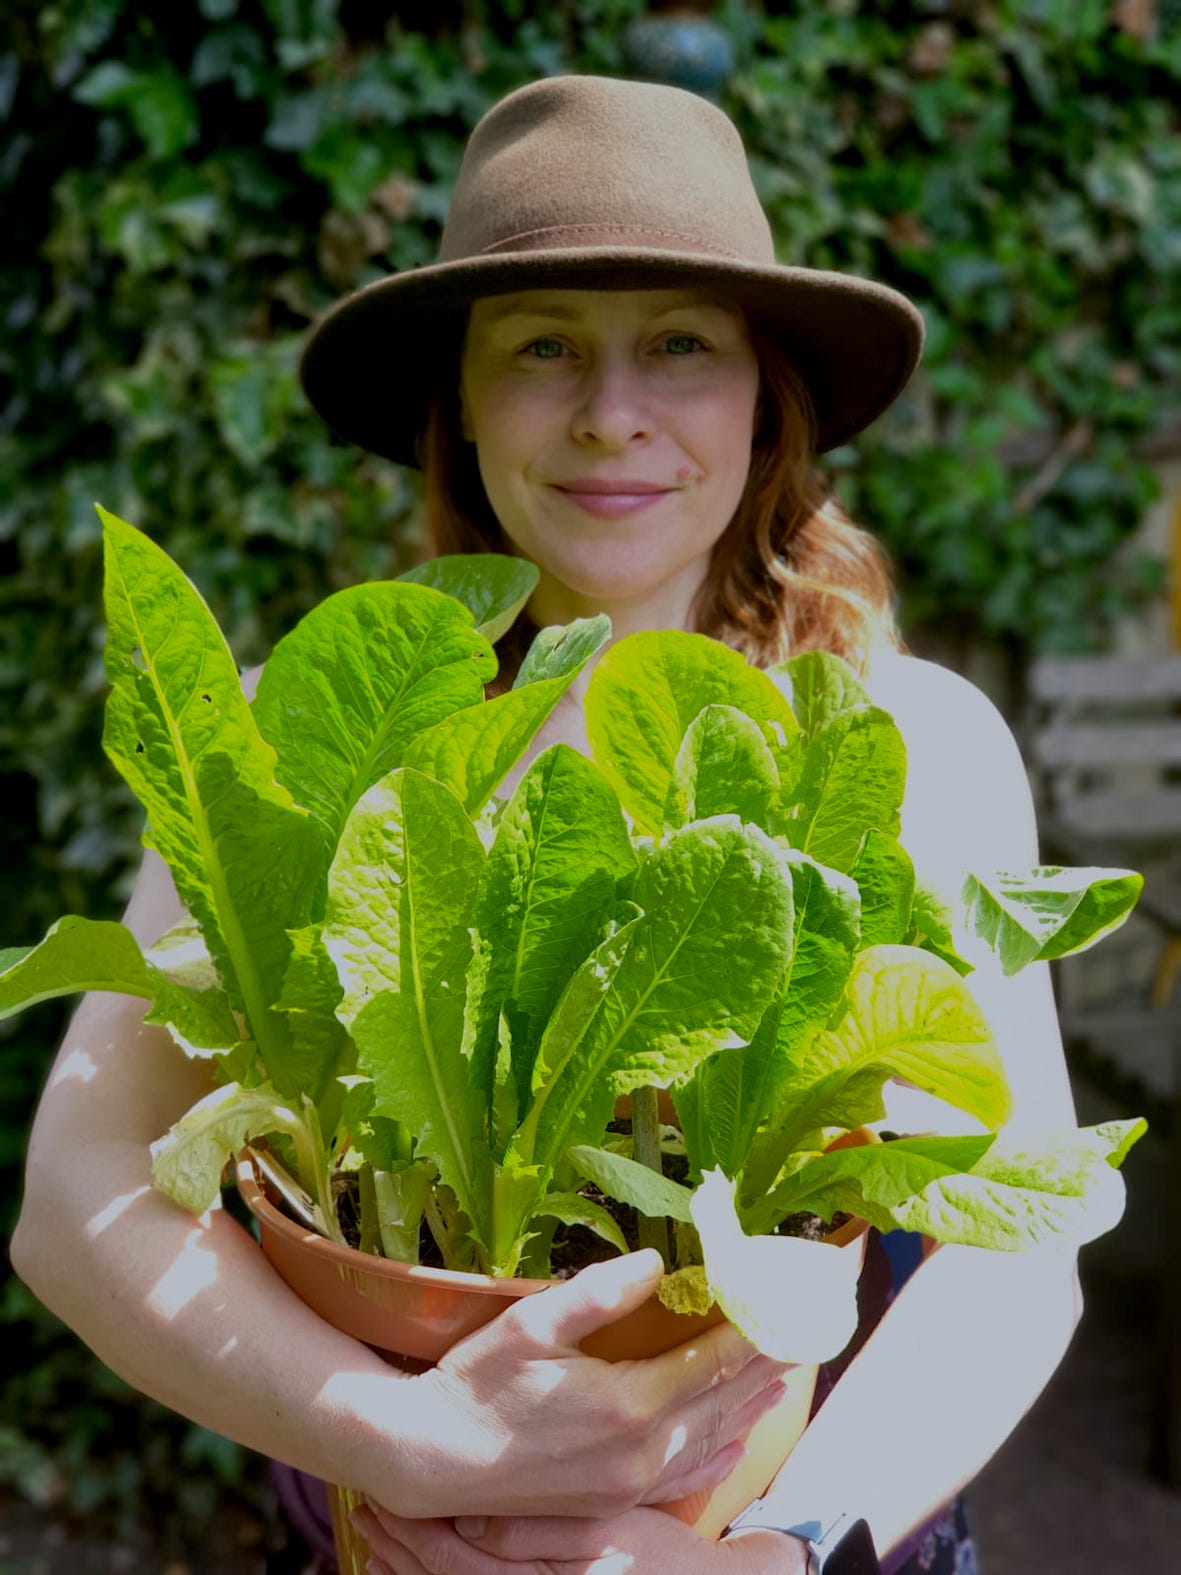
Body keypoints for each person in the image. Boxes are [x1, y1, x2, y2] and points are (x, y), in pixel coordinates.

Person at [12, 75, 1081, 1575]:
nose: (610, 413)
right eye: (542, 349)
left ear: (763, 390)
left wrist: (769, 1555)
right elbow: (78, 1196)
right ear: (459, 397)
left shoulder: (908, 742)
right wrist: (388, 1439)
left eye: (679, 344)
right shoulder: (303, 740)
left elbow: (1015, 1251)